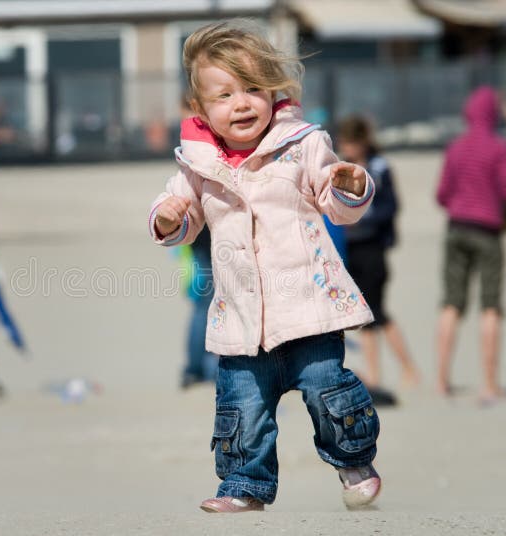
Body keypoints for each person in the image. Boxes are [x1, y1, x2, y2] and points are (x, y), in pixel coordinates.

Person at [148, 20, 381, 513]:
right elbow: (180, 212)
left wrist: (349, 184)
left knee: (326, 390)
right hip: (241, 317)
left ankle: (353, 458)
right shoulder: (197, 164)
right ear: (201, 110)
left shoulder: (301, 143)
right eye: (226, 94)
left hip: (308, 306)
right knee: (243, 409)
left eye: (253, 88)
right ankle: (243, 485)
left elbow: (335, 202)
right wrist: (170, 217)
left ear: (273, 92)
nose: (242, 103)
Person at [435, 86, 506, 402]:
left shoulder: (455, 148)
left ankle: (442, 381)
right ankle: (489, 382)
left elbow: (442, 194)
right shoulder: (500, 148)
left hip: (457, 227)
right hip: (488, 231)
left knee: (450, 304)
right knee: (491, 306)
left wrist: (462, 204)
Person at [337, 116, 419, 389]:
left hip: (372, 247)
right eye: (344, 143)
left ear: (362, 143)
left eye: (351, 144)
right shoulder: (338, 168)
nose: (347, 149)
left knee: (377, 313)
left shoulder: (379, 168)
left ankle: (402, 369)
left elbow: (391, 206)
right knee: (365, 314)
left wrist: (363, 218)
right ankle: (379, 374)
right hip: (349, 248)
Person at [180, 228, 219, 388]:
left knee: (202, 306)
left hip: (196, 237)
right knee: (207, 307)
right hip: (213, 237)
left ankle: (194, 368)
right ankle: (205, 368)